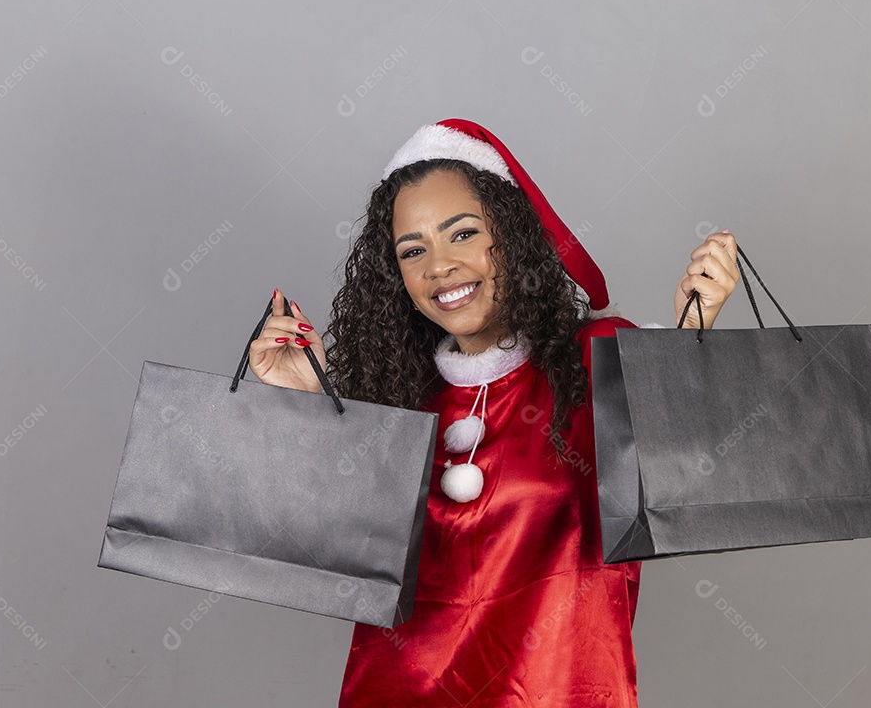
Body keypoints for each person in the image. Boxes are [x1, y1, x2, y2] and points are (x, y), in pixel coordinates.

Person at [247, 119, 739, 707]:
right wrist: (311, 409)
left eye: (462, 234)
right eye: (413, 250)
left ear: (509, 234)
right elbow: (341, 565)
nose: (438, 267)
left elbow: (667, 484)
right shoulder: (399, 397)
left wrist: (690, 334)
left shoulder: (592, 362)